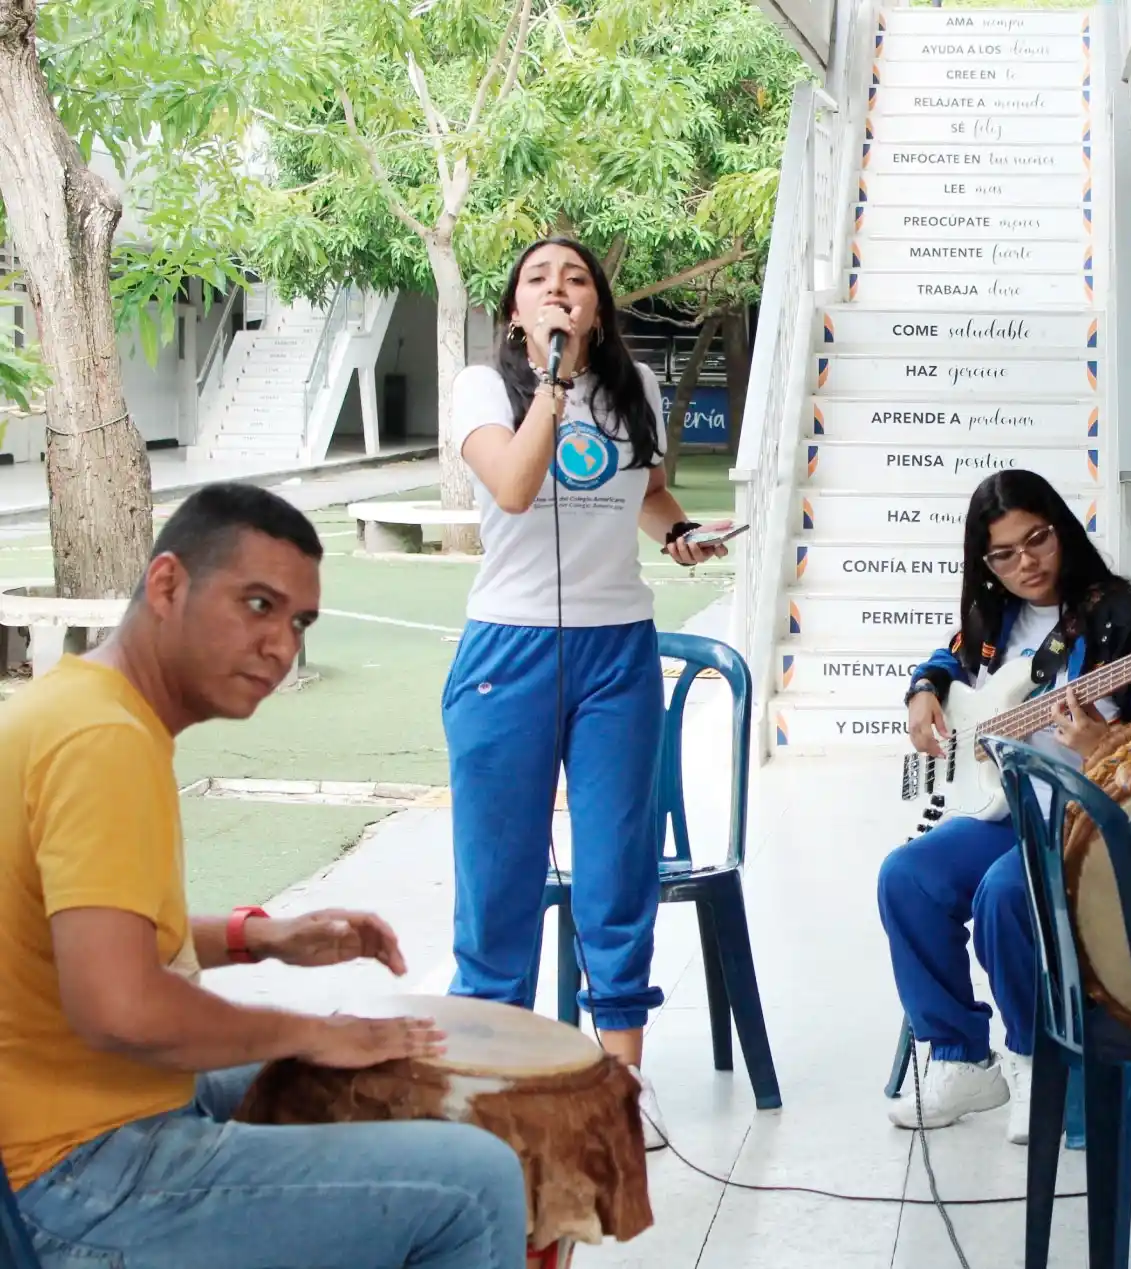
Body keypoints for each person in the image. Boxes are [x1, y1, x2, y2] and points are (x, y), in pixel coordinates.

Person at [0, 483, 529, 1266]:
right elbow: (120, 1008)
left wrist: (259, 938)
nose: (282, 644)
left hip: (76, 1117)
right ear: (168, 583)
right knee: (476, 1181)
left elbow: (88, 936)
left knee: (369, 1073)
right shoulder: (103, 742)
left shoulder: (77, 705)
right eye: (258, 604)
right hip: (75, 1171)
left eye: (298, 621)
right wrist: (316, 1030)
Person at [446, 236, 730, 1143]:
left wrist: (680, 531)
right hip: (510, 651)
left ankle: (618, 1083)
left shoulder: (634, 388)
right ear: (516, 310)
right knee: (500, 878)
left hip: (618, 650)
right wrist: (554, 384)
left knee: (616, 867)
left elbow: (646, 490)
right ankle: (496, 1080)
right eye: (540, 280)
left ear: (598, 306)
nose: (559, 290)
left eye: (576, 280)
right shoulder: (483, 388)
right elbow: (518, 486)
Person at [876, 470, 1131, 1142]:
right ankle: (960, 1055)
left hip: (1090, 820)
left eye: (1036, 540)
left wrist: (1109, 741)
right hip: (1009, 809)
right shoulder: (990, 618)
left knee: (1007, 892)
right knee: (908, 876)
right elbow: (947, 659)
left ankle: (1039, 1059)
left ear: (1060, 528)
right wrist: (923, 689)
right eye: (1003, 553)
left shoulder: (1123, 619)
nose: (1026, 563)